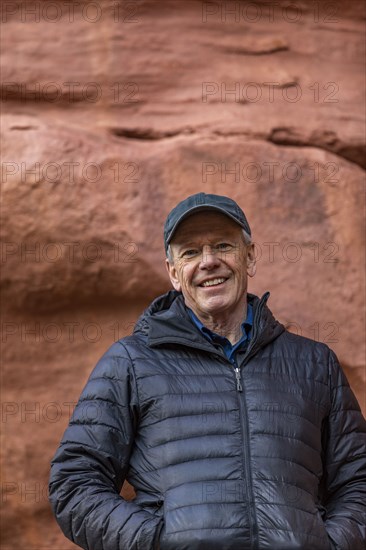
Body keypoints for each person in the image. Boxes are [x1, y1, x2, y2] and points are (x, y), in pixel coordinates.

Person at [49, 193, 366, 550]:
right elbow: (74, 483)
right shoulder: (132, 362)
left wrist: (332, 543)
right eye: (190, 252)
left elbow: (358, 481)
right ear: (173, 273)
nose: (209, 261)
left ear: (250, 257)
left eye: (222, 245)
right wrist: (155, 541)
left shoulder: (315, 364)